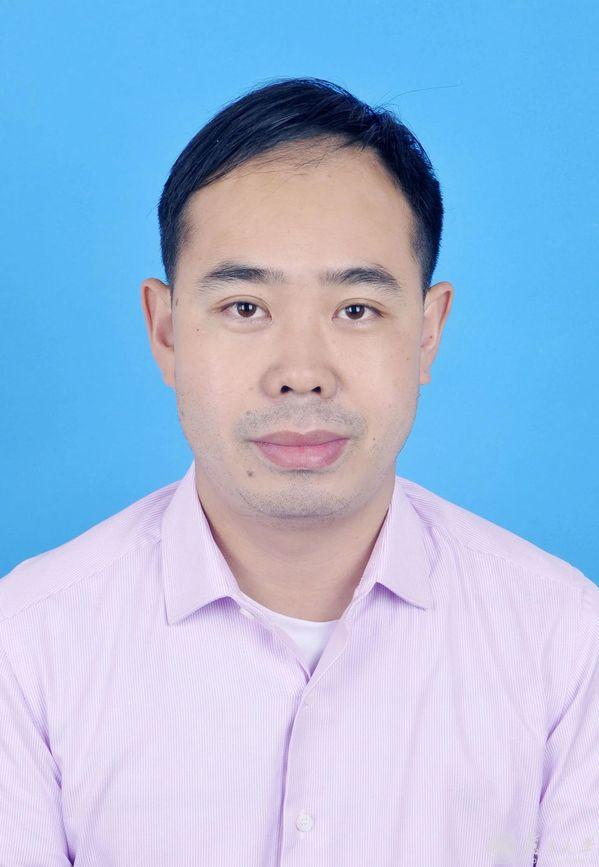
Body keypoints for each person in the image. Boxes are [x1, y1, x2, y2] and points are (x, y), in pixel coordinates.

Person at [1, 76, 597, 867]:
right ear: (166, 331)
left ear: (426, 332)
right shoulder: (24, 647)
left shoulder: (566, 643)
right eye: (245, 307)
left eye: (356, 309)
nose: (301, 374)